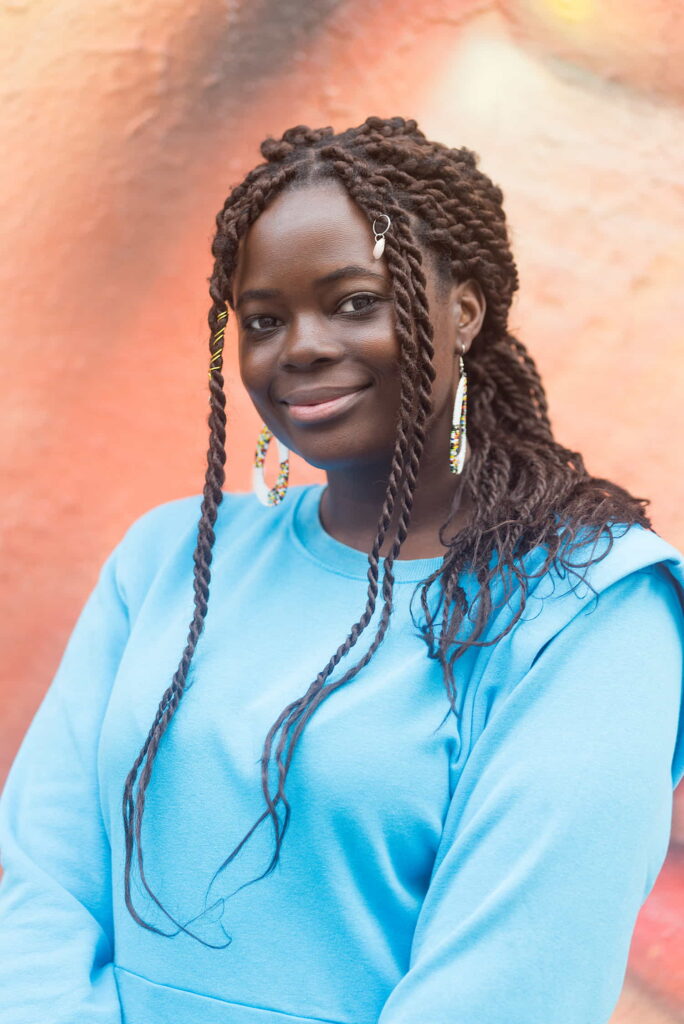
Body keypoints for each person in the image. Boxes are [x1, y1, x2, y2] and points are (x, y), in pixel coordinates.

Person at [1, 115, 683, 1024]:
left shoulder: (591, 610)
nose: (302, 347)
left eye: (356, 300)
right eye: (264, 320)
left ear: (466, 310)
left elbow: (511, 990)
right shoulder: (169, 561)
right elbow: (39, 885)